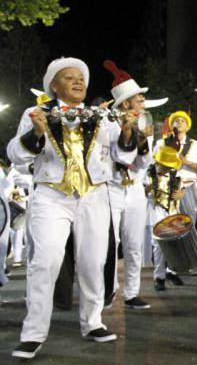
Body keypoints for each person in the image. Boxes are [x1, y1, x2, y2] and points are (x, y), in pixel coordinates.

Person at [8, 57, 139, 359]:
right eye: (69, 77)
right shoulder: (37, 113)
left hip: (94, 194)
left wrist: (129, 132)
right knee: (46, 261)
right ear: (53, 85)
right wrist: (36, 134)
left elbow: (123, 155)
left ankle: (93, 322)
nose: (78, 81)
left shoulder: (103, 118)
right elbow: (15, 154)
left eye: (81, 77)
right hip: (52, 195)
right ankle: (33, 333)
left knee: (94, 262)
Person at [103, 60, 155, 309]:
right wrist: (127, 134)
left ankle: (132, 293)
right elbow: (117, 157)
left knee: (134, 244)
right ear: (126, 103)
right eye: (140, 99)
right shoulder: (106, 123)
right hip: (111, 188)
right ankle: (109, 290)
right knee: (110, 244)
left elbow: (145, 163)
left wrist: (143, 143)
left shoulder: (145, 123)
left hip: (134, 189)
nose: (144, 103)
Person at [151, 110, 197, 291]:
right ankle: (159, 275)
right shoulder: (161, 143)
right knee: (161, 235)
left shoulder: (194, 145)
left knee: (182, 234)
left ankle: (173, 269)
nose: (179, 123)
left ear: (188, 125)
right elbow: (153, 166)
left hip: (185, 190)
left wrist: (182, 189)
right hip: (161, 193)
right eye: (176, 120)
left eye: (183, 121)